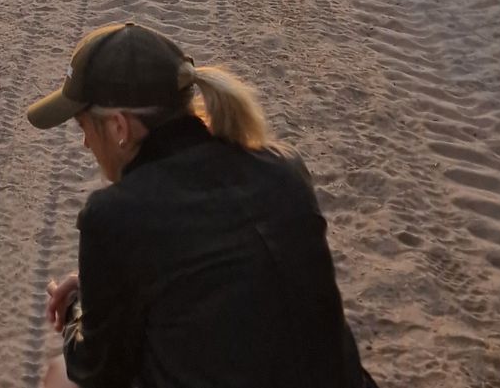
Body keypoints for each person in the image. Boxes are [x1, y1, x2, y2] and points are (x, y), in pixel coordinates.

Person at [26, 22, 376, 388]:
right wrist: (96, 284)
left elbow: (95, 369)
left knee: (61, 375)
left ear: (119, 128)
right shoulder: (283, 167)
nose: (85, 144)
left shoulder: (116, 214)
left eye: (84, 126)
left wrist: (76, 310)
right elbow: (220, 278)